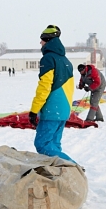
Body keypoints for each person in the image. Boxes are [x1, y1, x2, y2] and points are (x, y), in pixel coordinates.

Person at [28, 25, 75, 162]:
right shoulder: (66, 61)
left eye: (42, 40)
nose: (40, 43)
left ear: (47, 40)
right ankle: (60, 174)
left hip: (52, 109)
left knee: (43, 144)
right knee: (54, 145)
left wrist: (34, 110)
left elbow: (44, 87)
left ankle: (73, 167)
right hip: (63, 109)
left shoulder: (48, 59)